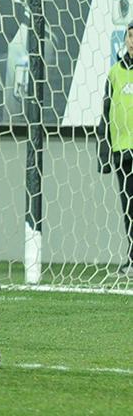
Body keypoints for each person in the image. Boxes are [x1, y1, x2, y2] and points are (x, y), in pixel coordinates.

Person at [98, 22, 133, 277]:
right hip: (123, 152)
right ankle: (132, 258)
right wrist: (104, 155)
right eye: (130, 36)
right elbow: (105, 115)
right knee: (129, 209)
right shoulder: (114, 73)